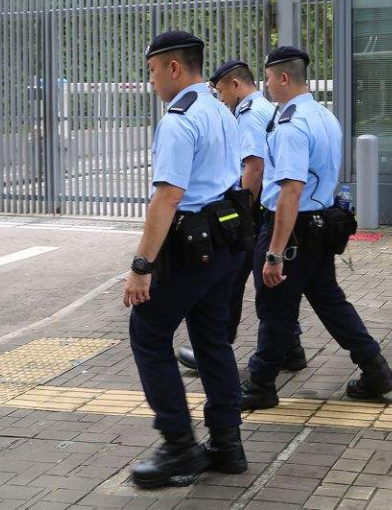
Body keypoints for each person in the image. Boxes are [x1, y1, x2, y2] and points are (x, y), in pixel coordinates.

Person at [240, 45, 392, 410]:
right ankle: (376, 368)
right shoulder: (325, 116)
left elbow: (290, 193)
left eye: (267, 79)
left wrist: (274, 253)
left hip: (293, 230)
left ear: (283, 77)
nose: (265, 86)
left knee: (275, 306)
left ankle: (261, 382)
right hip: (320, 226)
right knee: (329, 302)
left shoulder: (290, 124)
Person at [124, 31, 248, 488]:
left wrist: (142, 267)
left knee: (148, 332)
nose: (152, 81)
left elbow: (168, 198)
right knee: (212, 340)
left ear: (173, 67)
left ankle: (178, 446)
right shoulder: (220, 108)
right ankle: (226, 445)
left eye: (153, 71)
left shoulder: (178, 119)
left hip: (192, 246)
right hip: (226, 243)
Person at [175, 59, 307, 374]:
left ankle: (214, 347)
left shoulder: (248, 115)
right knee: (264, 285)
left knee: (231, 282)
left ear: (235, 85)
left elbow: (254, 166)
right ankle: (290, 347)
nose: (221, 99)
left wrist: (241, 213)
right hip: (267, 209)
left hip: (256, 211)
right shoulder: (265, 108)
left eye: (221, 92)